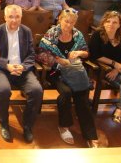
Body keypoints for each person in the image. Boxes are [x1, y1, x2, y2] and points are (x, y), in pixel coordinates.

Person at [38, 9, 100, 148]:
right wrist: (58, 60)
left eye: (72, 22)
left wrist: (80, 52)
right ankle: (64, 126)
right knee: (66, 92)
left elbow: (86, 53)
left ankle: (90, 135)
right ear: (60, 19)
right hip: (55, 72)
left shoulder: (78, 35)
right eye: (66, 21)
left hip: (74, 72)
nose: (69, 25)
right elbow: (41, 55)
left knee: (82, 96)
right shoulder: (52, 33)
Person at [0, 5, 43, 143]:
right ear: (5, 17)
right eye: (10, 17)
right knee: (4, 90)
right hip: (2, 69)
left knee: (37, 90)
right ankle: (4, 124)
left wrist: (23, 67)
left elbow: (31, 54)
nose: (14, 20)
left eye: (17, 17)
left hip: (22, 70)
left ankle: (27, 125)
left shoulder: (26, 31)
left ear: (21, 17)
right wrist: (6, 65)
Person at [89, 11, 121, 136]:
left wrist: (119, 68)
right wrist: (114, 65)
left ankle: (120, 108)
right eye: (108, 21)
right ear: (104, 22)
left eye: (115, 22)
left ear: (120, 25)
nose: (111, 24)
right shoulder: (98, 35)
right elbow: (95, 55)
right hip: (108, 70)